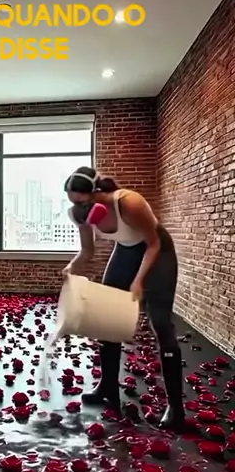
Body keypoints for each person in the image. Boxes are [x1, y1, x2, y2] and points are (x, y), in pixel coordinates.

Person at [63, 165, 185, 432]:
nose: (80, 210)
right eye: (74, 204)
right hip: (126, 252)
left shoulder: (129, 202)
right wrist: (72, 267)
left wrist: (139, 281)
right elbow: (87, 251)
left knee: (161, 324)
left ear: (97, 193)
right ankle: (107, 386)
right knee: (108, 320)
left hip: (158, 253)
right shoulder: (80, 214)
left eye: (83, 203)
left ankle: (176, 407)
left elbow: (154, 243)